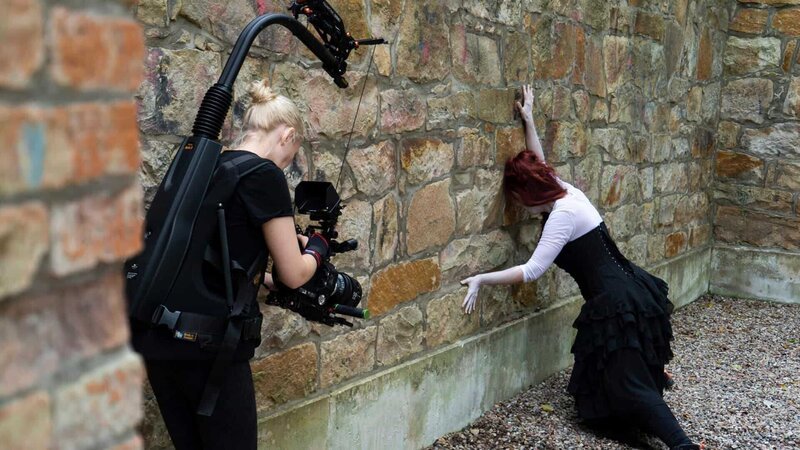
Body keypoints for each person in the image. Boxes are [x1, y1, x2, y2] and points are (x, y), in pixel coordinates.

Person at [460, 85, 702, 450]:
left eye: (517, 199)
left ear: (529, 193)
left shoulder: (562, 216)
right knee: (622, 379)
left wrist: (481, 279)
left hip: (615, 303)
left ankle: (683, 445)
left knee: (628, 388)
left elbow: (530, 271)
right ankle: (651, 377)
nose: (519, 207)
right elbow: (538, 162)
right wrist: (529, 119)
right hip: (629, 288)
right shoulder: (562, 190)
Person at [132, 80, 329, 449]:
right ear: (286, 136)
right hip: (209, 349)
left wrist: (261, 278)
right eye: (291, 157)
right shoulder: (264, 174)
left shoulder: (209, 167)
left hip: (160, 341)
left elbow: (210, 252)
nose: (286, 167)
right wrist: (317, 248)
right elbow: (296, 272)